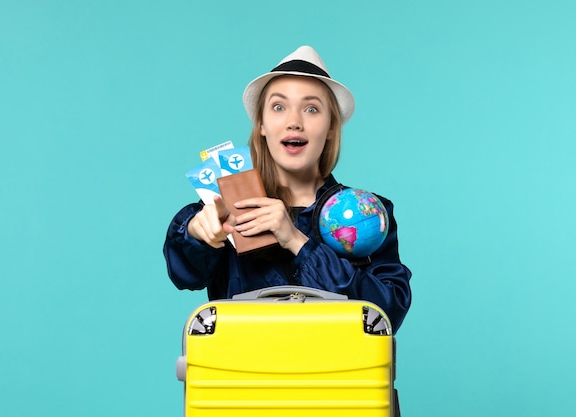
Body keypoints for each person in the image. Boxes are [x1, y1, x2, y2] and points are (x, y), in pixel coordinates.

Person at [163, 46, 412, 331]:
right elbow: (186, 275)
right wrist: (196, 232)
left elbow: (388, 311)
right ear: (261, 125)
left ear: (331, 126)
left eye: (311, 109)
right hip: (241, 371)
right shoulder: (228, 203)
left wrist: (296, 241)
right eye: (279, 107)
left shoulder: (368, 214)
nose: (294, 122)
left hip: (336, 374)